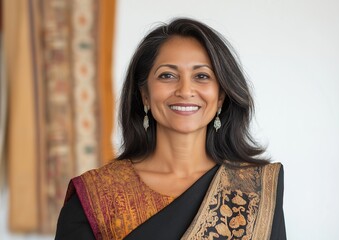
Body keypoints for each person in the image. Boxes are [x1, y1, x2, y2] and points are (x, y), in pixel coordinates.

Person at [55, 18, 286, 240]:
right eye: (168, 75)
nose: (185, 90)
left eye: (202, 76)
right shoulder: (97, 196)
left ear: (221, 97)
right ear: (145, 94)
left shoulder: (255, 190)